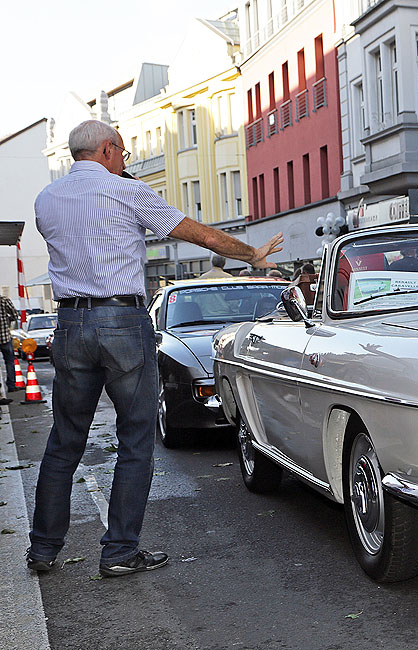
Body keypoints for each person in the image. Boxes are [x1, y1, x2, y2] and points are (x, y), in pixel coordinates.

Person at [27, 120, 283, 576]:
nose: (124, 160)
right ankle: (119, 552)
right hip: (122, 322)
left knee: (64, 441)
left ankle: (43, 550)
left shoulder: (46, 199)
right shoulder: (128, 192)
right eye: (123, 152)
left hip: (69, 323)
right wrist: (252, 255)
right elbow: (202, 236)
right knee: (135, 439)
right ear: (108, 150)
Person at [0, 295, 20, 397]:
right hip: (5, 338)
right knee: (9, 362)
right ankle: (11, 385)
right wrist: (7, 319)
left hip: (5, 337)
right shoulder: (4, 300)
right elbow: (15, 315)